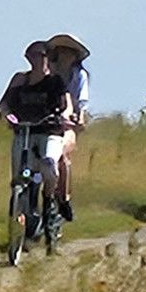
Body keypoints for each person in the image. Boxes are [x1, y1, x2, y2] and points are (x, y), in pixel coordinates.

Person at [0, 41, 72, 233]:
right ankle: (19, 220)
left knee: (49, 165)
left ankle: (49, 201)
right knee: (19, 176)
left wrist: (65, 116)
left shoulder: (56, 82)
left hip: (49, 131)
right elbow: (5, 104)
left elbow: (66, 104)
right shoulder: (20, 80)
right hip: (24, 131)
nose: (35, 60)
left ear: (48, 58)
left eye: (40, 56)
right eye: (31, 56)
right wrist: (9, 117)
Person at [46, 33, 90, 221]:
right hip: (46, 119)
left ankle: (64, 198)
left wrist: (78, 117)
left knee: (63, 156)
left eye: (69, 52)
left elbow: (82, 101)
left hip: (67, 121)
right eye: (61, 51)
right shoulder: (47, 72)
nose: (65, 55)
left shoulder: (79, 75)